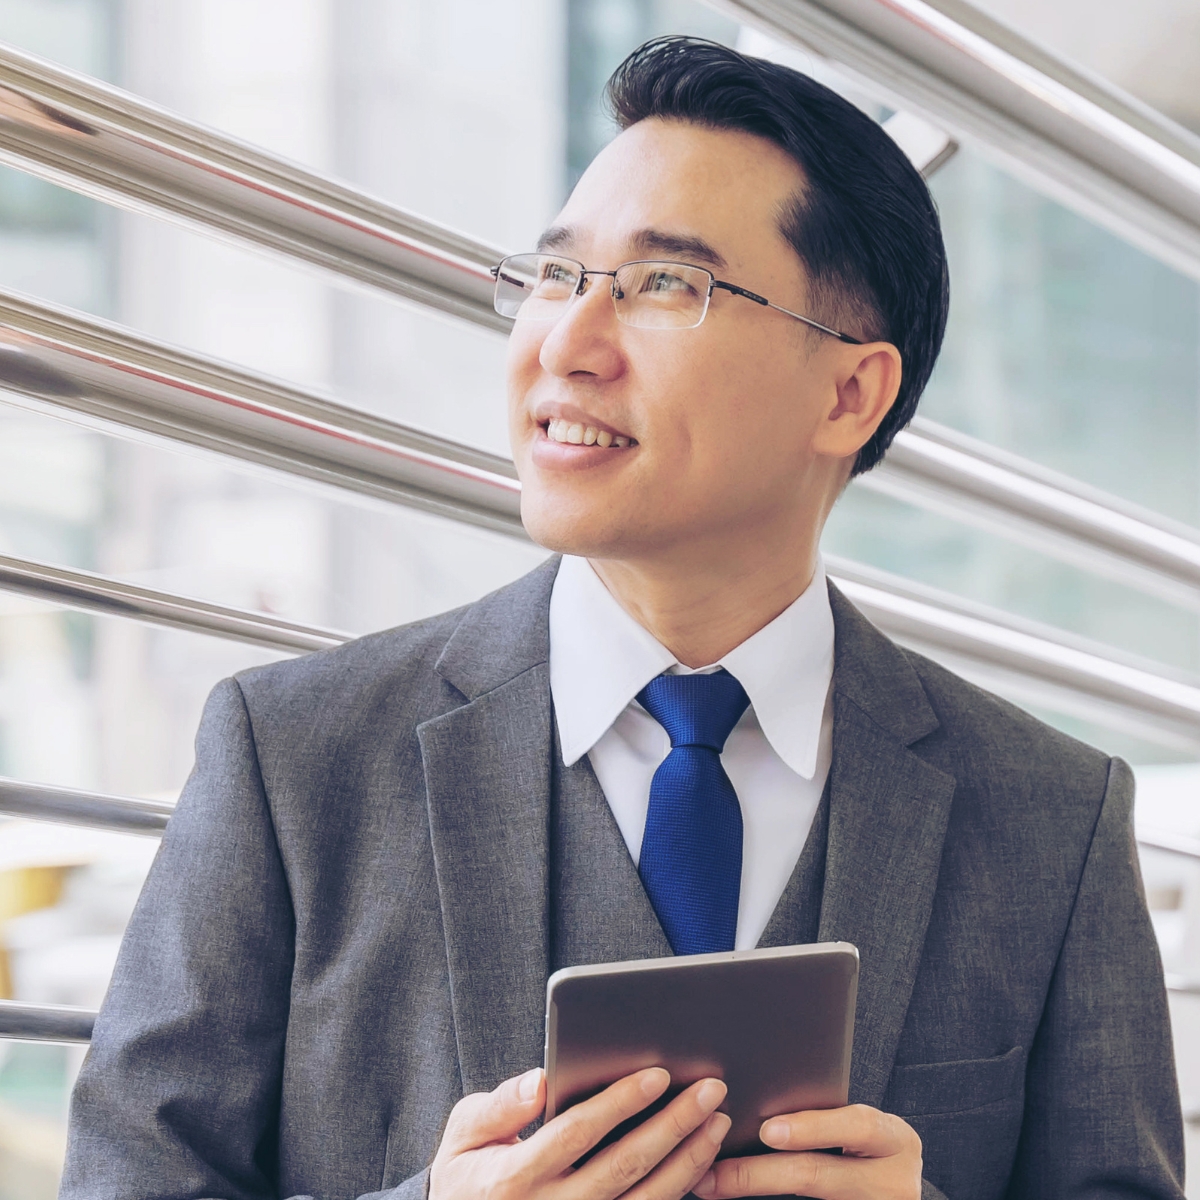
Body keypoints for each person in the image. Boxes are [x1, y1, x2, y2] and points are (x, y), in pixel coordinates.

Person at [61, 35, 1183, 1200]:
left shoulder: (1050, 821)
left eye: (664, 285)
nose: (567, 345)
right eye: (554, 277)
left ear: (851, 393)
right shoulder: (292, 762)